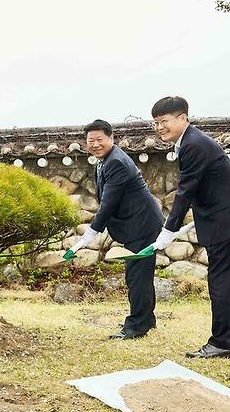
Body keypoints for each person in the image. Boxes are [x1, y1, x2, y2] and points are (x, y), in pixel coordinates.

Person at [150, 96, 230, 358]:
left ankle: (221, 342)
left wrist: (168, 231)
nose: (159, 127)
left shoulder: (194, 144)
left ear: (183, 118)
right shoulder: (191, 141)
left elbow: (186, 190)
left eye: (164, 121)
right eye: (155, 123)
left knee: (221, 281)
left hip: (228, 221)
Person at [65, 119, 164, 339]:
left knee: (137, 276)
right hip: (137, 223)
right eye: (91, 140)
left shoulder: (116, 162)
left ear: (111, 138)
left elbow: (108, 203)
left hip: (142, 224)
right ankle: (146, 319)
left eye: (100, 139)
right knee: (139, 275)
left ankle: (137, 326)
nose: (95, 144)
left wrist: (91, 233)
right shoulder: (104, 160)